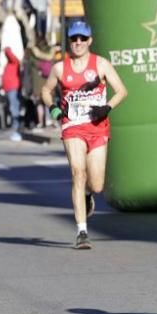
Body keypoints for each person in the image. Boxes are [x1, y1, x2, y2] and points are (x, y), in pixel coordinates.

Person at [40, 19, 127, 250]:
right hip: (73, 126)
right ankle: (82, 231)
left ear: (90, 40)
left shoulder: (101, 64)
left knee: (97, 184)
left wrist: (106, 108)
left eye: (82, 39)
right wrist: (55, 109)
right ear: (69, 41)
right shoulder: (60, 68)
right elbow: (46, 91)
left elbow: (122, 91)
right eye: (73, 39)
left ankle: (89, 195)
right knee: (78, 173)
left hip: (97, 127)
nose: (78, 43)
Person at [2, 46, 23, 141]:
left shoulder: (14, 61)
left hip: (13, 88)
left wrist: (7, 49)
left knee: (14, 108)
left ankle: (16, 129)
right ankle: (15, 128)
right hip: (9, 89)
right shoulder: (9, 64)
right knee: (12, 108)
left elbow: (10, 54)